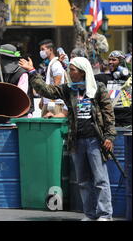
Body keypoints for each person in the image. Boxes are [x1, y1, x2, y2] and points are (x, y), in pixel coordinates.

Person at [19, 56, 115, 221]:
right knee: (83, 181)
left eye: (72, 69)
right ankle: (90, 214)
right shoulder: (69, 89)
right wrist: (32, 72)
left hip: (95, 140)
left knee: (100, 180)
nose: (69, 72)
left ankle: (105, 214)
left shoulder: (98, 89)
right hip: (77, 141)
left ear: (82, 72)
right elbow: (47, 90)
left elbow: (108, 114)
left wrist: (109, 136)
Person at [0, 44, 34, 116]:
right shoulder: (1, 73)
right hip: (7, 113)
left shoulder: (22, 73)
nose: (0, 60)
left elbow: (21, 95)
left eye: (3, 57)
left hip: (23, 113)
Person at [95, 50, 131, 127]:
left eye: (114, 60)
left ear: (121, 62)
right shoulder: (104, 78)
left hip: (128, 121)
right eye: (109, 59)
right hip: (111, 121)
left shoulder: (129, 79)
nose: (110, 62)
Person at [38, 39, 68, 118]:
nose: (41, 52)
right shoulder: (50, 64)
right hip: (48, 101)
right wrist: (43, 99)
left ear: (50, 50)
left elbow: (56, 85)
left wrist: (51, 100)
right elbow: (48, 84)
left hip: (55, 103)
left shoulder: (56, 65)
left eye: (43, 49)